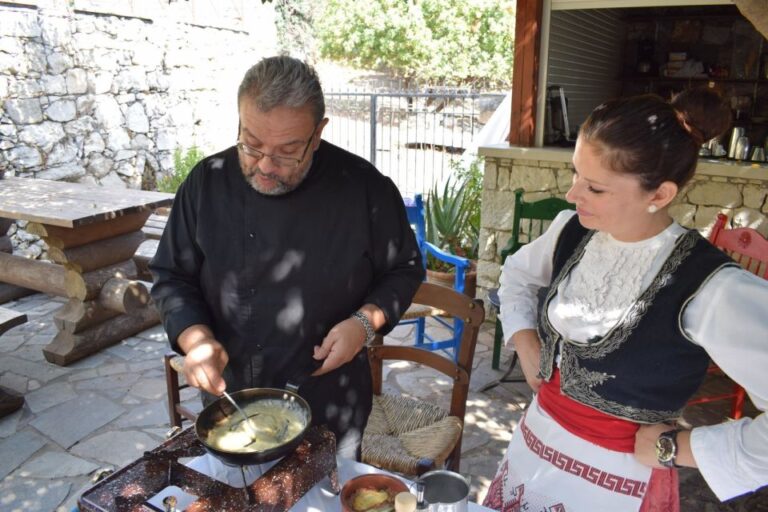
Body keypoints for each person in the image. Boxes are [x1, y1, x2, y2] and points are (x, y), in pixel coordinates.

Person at [483, 89, 768, 511]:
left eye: (595, 187)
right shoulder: (571, 229)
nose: (572, 194)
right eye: (576, 174)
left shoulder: (711, 287)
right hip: (534, 444)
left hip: (615, 479)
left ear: (659, 195)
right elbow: (518, 276)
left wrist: (680, 448)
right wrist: (524, 339)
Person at [149, 55, 425, 459]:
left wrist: (364, 325)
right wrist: (197, 340)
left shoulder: (365, 188)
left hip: (330, 400)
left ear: (317, 134)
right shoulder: (206, 182)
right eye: (251, 144)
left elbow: (404, 269)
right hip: (232, 400)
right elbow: (172, 274)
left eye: (287, 151)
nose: (265, 165)